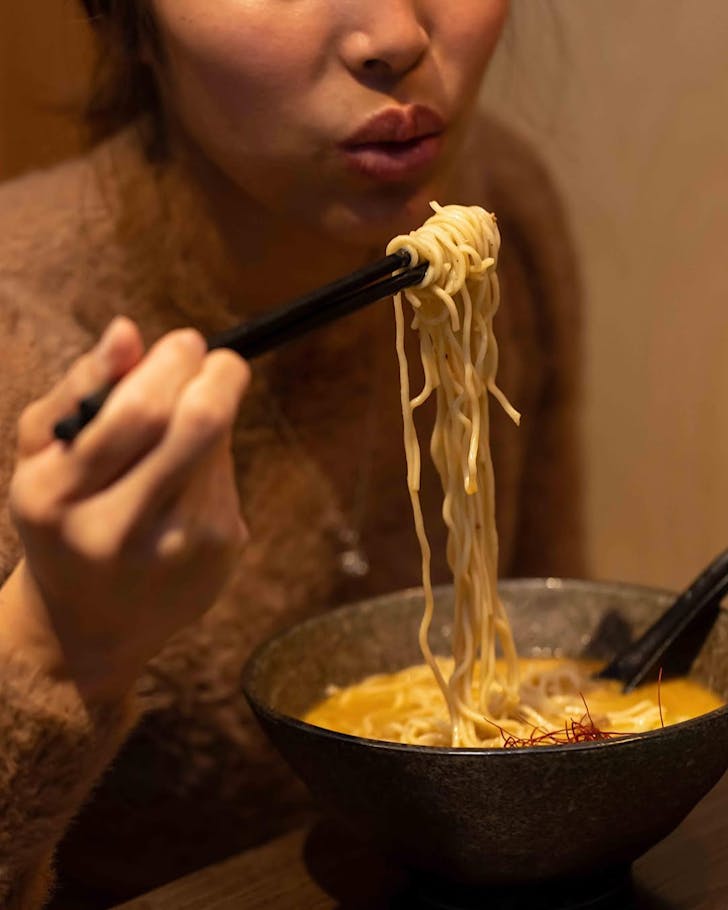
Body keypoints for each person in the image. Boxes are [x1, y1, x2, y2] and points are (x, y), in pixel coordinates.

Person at [0, 1, 583, 906]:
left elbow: (555, 632)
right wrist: (54, 642)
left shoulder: (500, 210)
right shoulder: (19, 334)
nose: (396, 36)